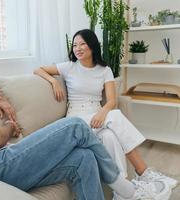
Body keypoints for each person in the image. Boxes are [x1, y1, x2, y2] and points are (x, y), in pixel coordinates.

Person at [0, 18, 171, 200]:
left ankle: (126, 189)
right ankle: (129, 192)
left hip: (1, 159)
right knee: (76, 126)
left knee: (83, 158)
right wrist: (11, 128)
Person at [34, 29, 177, 198]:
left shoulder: (104, 70)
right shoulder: (68, 67)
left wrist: (102, 113)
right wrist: (53, 81)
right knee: (115, 116)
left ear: (92, 46)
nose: (77, 48)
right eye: (74, 45)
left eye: (82, 44)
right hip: (77, 119)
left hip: (98, 116)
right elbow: (39, 70)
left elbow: (111, 100)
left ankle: (121, 192)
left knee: (109, 136)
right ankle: (144, 171)